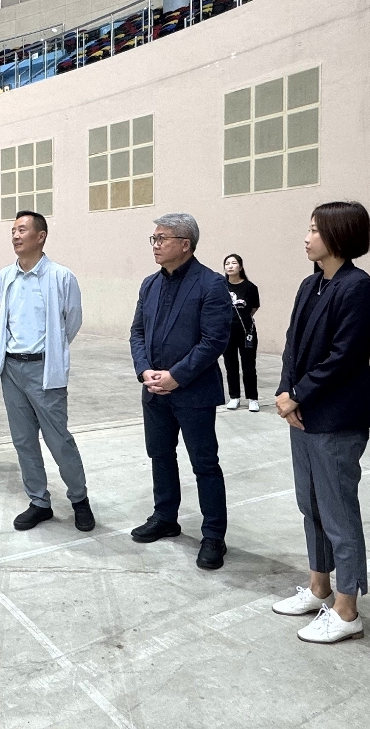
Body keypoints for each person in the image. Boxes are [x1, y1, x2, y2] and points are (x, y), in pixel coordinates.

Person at [272, 201, 370, 644]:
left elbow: (345, 357)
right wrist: (286, 393)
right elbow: (292, 345)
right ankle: (319, 587)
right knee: (311, 504)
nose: (307, 237)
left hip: (336, 417)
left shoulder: (358, 286)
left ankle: (348, 607)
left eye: (316, 229)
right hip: (302, 414)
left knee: (338, 512)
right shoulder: (311, 283)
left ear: (339, 235)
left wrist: (298, 394)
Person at [129, 214, 234, 570]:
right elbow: (137, 332)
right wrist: (145, 370)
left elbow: (214, 340)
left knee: (205, 464)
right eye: (154, 238)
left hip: (194, 392)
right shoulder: (149, 284)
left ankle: (214, 535)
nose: (156, 244)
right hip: (154, 390)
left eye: (162, 238)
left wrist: (176, 376)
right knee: (160, 456)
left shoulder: (211, 284)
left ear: (185, 244)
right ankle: (165, 516)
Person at [0, 210, 94, 532]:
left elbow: (71, 321)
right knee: (23, 441)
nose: (15, 235)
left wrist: (51, 352)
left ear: (41, 236)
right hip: (11, 369)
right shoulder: (5, 277)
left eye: (22, 229)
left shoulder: (61, 277)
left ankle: (79, 499)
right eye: (13, 230)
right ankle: (39, 501)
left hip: (43, 370)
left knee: (59, 440)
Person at [222, 253, 261, 412]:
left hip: (246, 332)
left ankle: (253, 399)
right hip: (227, 332)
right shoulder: (221, 286)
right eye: (227, 264)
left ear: (240, 266)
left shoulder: (250, 287)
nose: (230, 266)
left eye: (233, 263)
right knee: (230, 365)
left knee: (249, 366)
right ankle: (234, 397)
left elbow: (254, 308)